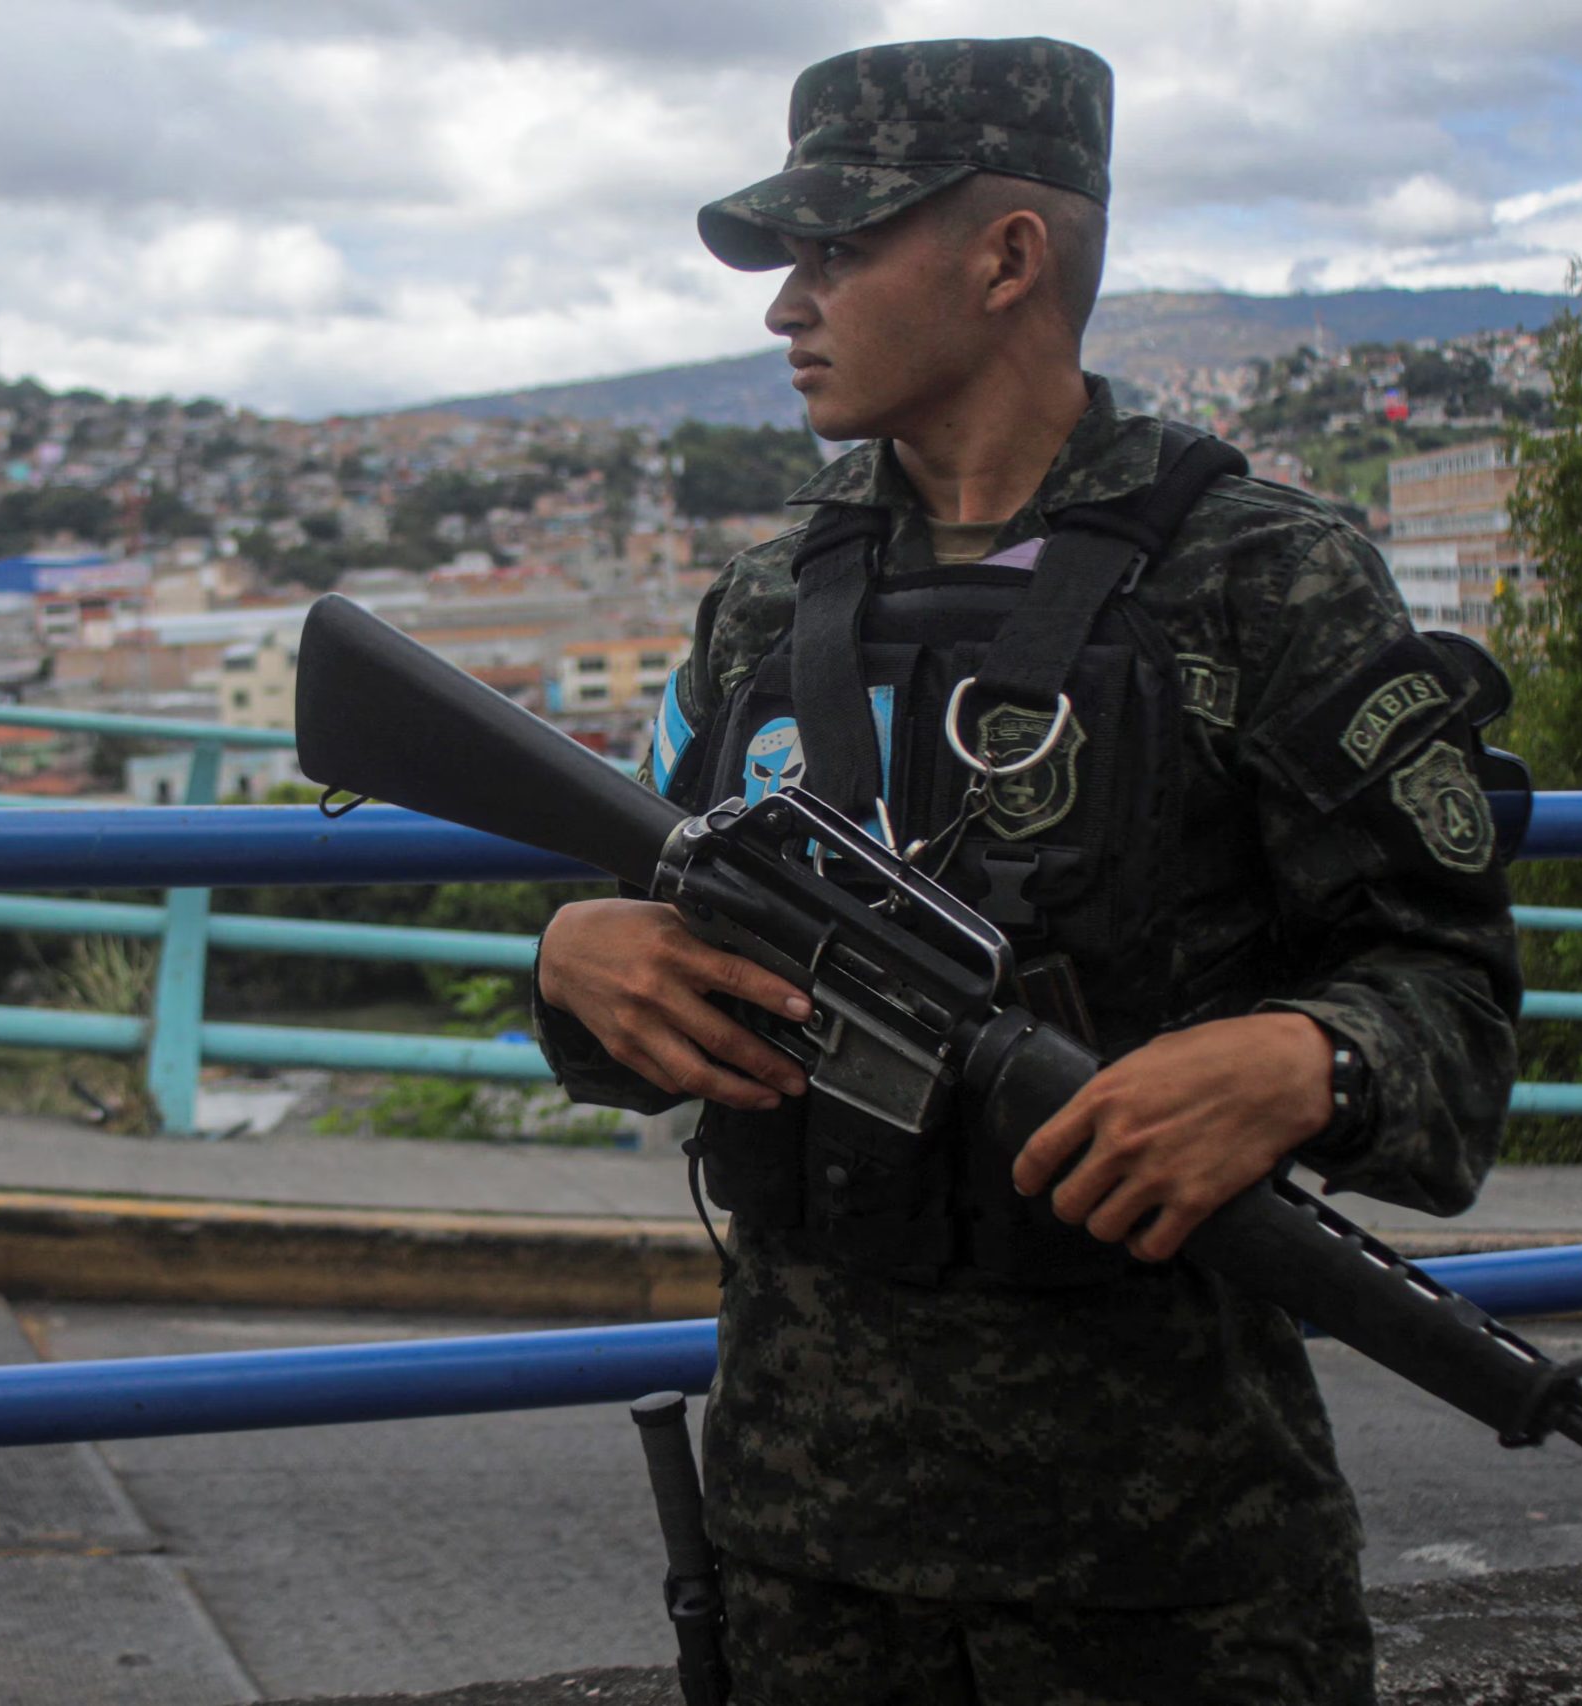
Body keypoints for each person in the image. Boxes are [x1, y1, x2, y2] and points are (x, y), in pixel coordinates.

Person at [531, 36, 1522, 1705]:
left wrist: (1310, 1056)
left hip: (1172, 1561)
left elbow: (1454, 998)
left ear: (1010, 256)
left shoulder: (1261, 581)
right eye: (791, 258)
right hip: (809, 1538)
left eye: (839, 247)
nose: (789, 303)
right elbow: (651, 931)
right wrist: (572, 965)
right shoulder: (771, 602)